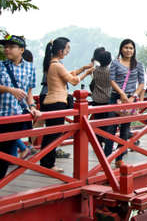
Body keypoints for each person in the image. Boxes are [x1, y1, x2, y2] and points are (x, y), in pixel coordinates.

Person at [40, 37, 93, 173]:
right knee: (53, 135)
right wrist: (86, 73)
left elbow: (68, 75)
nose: (68, 51)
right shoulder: (57, 65)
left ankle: (45, 162)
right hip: (57, 103)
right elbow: (73, 81)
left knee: (51, 134)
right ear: (60, 50)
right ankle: (48, 164)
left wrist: (82, 68)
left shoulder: (52, 64)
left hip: (51, 102)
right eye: (67, 48)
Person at [0, 35, 41, 178]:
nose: (7, 50)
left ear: (21, 50)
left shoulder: (30, 68)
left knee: (5, 156)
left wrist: (33, 106)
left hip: (16, 116)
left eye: (11, 47)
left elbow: (29, 92)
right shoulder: (1, 65)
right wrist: (10, 89)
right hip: (1, 115)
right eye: (5, 47)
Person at [105, 39, 144, 168]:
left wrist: (134, 96)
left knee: (125, 129)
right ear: (121, 49)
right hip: (116, 97)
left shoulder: (138, 65)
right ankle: (106, 157)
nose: (129, 50)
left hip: (130, 99)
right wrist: (121, 93)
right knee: (110, 127)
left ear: (134, 50)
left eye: (131, 48)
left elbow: (142, 83)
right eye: (126, 48)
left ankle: (119, 157)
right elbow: (111, 80)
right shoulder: (115, 63)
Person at [90, 48, 112, 146]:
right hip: (107, 98)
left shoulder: (95, 70)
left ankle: (98, 142)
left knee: (97, 122)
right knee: (106, 122)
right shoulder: (110, 72)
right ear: (109, 60)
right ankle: (105, 140)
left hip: (96, 99)